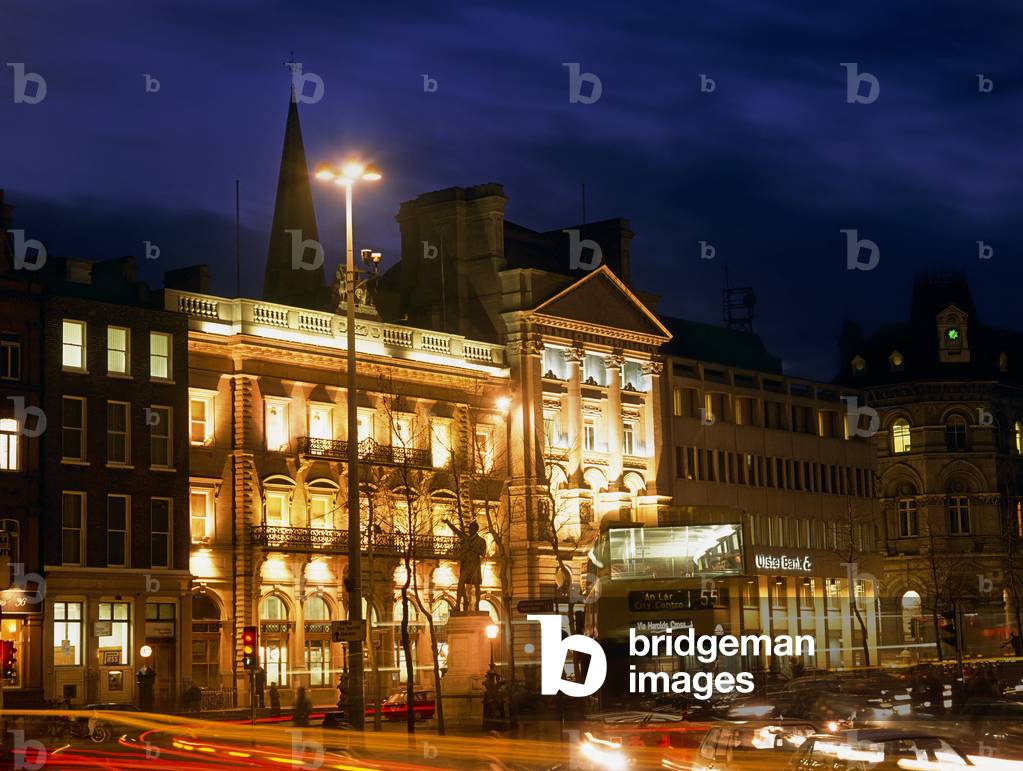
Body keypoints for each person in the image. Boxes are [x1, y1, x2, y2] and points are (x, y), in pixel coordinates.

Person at [444, 518, 487, 612]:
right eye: (470, 528)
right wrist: (448, 523)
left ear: (475, 529)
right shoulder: (465, 538)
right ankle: (458, 605)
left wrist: (475, 549)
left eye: (472, 528)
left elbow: (484, 553)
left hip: (474, 565)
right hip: (466, 565)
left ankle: (477, 605)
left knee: (476, 585)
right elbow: (456, 531)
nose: (470, 530)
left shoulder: (481, 541)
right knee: (460, 584)